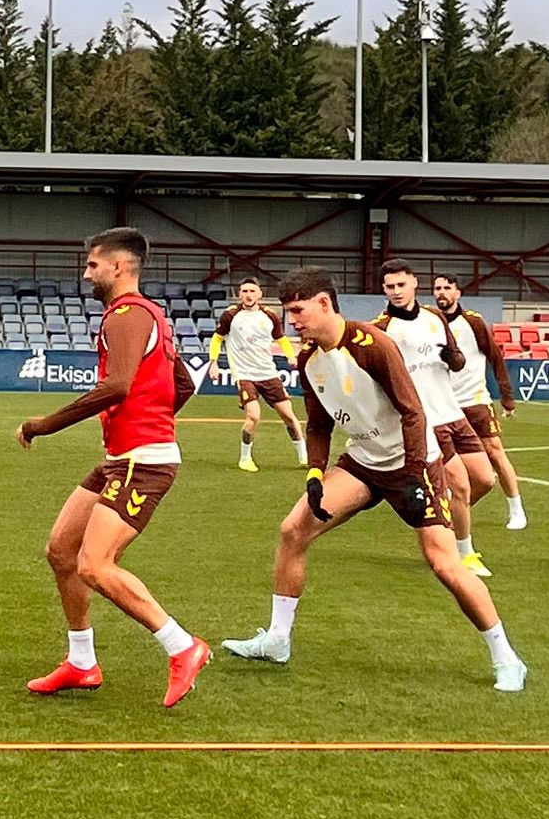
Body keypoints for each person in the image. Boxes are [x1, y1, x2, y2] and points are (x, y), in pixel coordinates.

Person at [221, 267, 527, 692]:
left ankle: (507, 658)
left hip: (413, 463)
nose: (292, 321)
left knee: (443, 563)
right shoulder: (309, 360)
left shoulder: (372, 344)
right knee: (293, 530)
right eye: (288, 312)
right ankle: (277, 640)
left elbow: (413, 412)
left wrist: (417, 472)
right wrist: (315, 473)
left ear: (324, 303)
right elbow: (319, 425)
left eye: (298, 310)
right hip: (363, 462)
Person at [18, 227, 213, 709]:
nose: (87, 274)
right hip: (124, 459)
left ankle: (183, 646)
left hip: (142, 464)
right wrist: (149, 423)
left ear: (119, 267)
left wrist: (43, 425)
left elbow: (117, 385)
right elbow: (182, 385)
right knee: (61, 551)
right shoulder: (151, 315)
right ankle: (82, 662)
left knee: (94, 564)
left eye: (93, 265)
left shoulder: (126, 316)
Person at [377, 259, 492, 577]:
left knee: (485, 479)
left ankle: (439, 521)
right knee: (462, 486)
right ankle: (464, 554)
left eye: (401, 284)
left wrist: (453, 357)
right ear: (383, 290)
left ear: (414, 282)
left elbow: (458, 361)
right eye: (390, 286)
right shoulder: (383, 329)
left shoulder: (435, 317)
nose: (397, 291)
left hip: (453, 412)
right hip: (426, 420)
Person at [432, 271, 527, 530]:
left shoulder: (473, 322)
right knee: (440, 459)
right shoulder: (430, 323)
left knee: (495, 452)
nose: (441, 293)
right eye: (438, 288)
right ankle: (450, 507)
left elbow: (495, 357)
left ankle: (516, 509)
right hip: (443, 405)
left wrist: (507, 398)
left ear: (458, 292)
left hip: (474, 400)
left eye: (447, 288)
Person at [209, 276, 304, 471]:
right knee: (253, 416)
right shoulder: (231, 315)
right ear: (239, 294)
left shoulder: (269, 316)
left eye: (252, 291)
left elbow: (281, 339)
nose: (248, 295)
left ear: (260, 294)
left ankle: (304, 457)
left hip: (268, 373)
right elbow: (217, 338)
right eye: (245, 291)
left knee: (289, 416)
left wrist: (290, 355)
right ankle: (245, 459)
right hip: (244, 375)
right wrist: (213, 362)